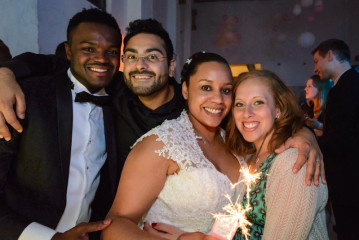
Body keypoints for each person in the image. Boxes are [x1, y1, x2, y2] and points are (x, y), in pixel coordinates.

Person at [0, 19, 325, 186]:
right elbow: (53, 62)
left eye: (152, 57)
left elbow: (254, 120)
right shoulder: (113, 87)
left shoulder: (200, 109)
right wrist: (5, 73)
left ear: (170, 65)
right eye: (132, 57)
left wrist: (300, 134)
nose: (141, 65)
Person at [0, 8, 122, 240]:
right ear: (68, 51)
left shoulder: (122, 101)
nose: (102, 59)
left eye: (112, 51)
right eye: (88, 49)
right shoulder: (26, 97)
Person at [102, 51, 246, 240]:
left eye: (226, 90)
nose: (218, 99)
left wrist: (299, 134)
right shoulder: (161, 144)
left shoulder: (236, 143)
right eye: (206, 87)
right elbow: (115, 225)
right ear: (185, 90)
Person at [227, 70, 328, 239]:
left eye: (258, 102)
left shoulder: (293, 163)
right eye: (239, 104)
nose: (247, 113)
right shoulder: (251, 157)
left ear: (278, 110)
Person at [312, 39, 359, 240]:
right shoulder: (352, 82)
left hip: (347, 176)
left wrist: (311, 142)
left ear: (329, 55)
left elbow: (340, 139)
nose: (315, 68)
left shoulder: (342, 90)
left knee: (349, 228)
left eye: (317, 61)